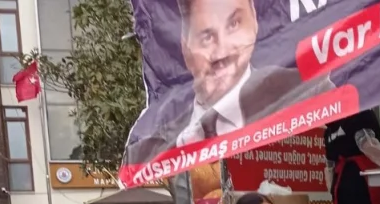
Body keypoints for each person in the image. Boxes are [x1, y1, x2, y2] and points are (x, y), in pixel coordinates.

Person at [124, 0, 334, 165]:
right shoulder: (152, 144)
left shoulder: (308, 90)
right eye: (206, 36)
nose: (222, 51)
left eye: (234, 24)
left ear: (254, 20)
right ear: (185, 46)